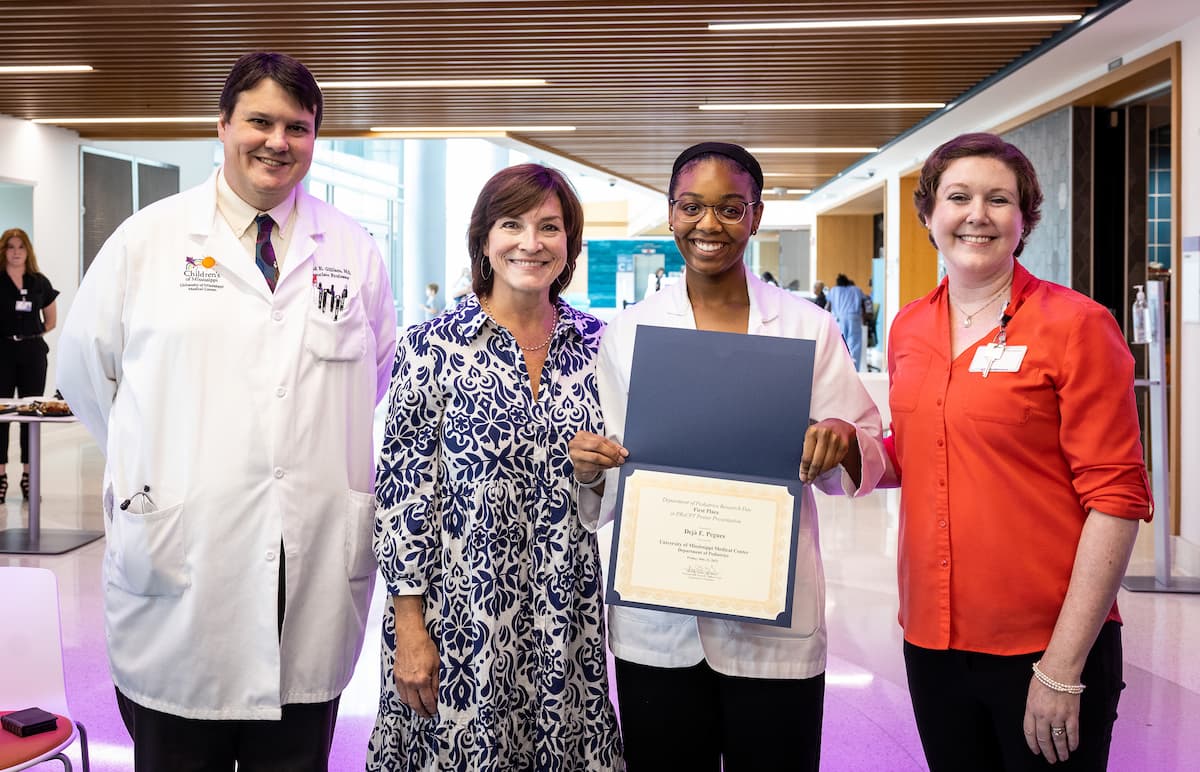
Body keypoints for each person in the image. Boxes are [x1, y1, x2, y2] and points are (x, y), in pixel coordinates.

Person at [57, 52, 396, 771]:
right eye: (260, 121)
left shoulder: (354, 250)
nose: (278, 141)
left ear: (314, 137)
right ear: (222, 125)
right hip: (186, 556)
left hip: (307, 560)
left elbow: (373, 375)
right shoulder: (147, 242)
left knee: (293, 750)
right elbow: (87, 375)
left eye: (297, 127)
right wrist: (157, 474)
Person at [567, 142, 886, 771]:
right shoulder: (628, 333)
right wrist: (589, 469)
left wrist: (842, 440)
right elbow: (605, 482)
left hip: (773, 625)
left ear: (757, 215)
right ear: (669, 213)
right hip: (659, 629)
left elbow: (866, 450)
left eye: (730, 209)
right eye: (692, 207)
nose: (709, 225)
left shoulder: (807, 327)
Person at [887, 132, 1152, 771]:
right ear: (929, 215)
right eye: (958, 197)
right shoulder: (910, 326)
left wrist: (1062, 668)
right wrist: (837, 446)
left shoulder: (1077, 325)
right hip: (932, 640)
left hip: (1046, 643)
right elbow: (917, 451)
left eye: (998, 199)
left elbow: (1115, 500)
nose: (977, 214)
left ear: (1024, 218)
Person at [369, 163, 623, 770]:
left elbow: (616, 484)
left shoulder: (601, 346)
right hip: (459, 615)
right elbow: (402, 494)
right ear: (484, 237)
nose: (531, 243)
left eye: (550, 227)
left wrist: (593, 472)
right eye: (512, 224)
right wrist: (410, 626)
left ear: (571, 242)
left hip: (566, 610)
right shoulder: (431, 347)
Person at [0, 227, 58, 503]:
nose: (15, 252)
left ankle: (28, 477)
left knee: (29, 414)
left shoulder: (38, 282)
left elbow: (51, 320)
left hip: (32, 352)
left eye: (20, 247)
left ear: (27, 251)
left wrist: (28, 336)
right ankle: (0, 477)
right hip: (1, 352)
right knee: (1, 415)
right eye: (10, 247)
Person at [826, 273, 866, 370]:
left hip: (839, 319)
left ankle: (842, 369)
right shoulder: (856, 290)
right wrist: (864, 318)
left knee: (841, 343)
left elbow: (828, 307)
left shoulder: (833, 291)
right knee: (854, 344)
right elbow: (864, 304)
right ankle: (853, 369)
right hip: (854, 318)